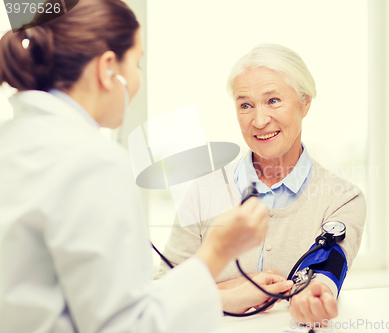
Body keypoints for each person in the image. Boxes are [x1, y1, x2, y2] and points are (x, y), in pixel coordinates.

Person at [0, 1, 293, 332]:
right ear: (108, 68)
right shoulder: (92, 161)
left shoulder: (13, 142)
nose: (138, 81)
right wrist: (217, 252)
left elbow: (89, 300)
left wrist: (225, 297)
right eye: (137, 63)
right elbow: (126, 326)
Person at [154, 44, 367, 323]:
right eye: (245, 105)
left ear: (305, 103)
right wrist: (232, 293)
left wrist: (314, 294)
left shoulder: (343, 199)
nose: (259, 120)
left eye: (273, 101)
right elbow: (161, 292)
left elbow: (325, 275)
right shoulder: (204, 191)